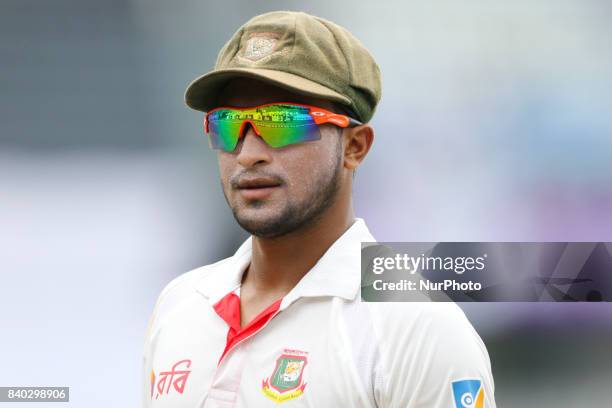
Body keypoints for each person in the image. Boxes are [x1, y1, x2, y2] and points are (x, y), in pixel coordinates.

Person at [142, 10, 496, 408]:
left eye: (282, 122)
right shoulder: (182, 304)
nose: (248, 154)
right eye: (228, 124)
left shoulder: (416, 327)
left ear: (354, 146)